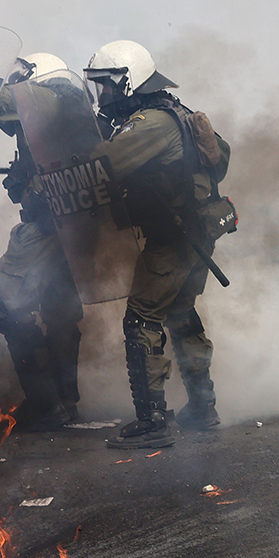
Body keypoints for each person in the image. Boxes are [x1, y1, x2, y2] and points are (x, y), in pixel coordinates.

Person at [83, 40, 232, 449]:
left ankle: (152, 423)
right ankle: (203, 408)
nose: (104, 95)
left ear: (130, 80)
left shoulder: (151, 122)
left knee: (142, 319)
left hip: (174, 239)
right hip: (195, 236)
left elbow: (103, 162)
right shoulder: (175, 111)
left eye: (108, 86)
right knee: (181, 314)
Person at [0, 55, 89, 428]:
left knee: (11, 309)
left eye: (20, 81)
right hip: (70, 225)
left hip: (44, 227)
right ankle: (66, 403)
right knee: (60, 312)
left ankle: (47, 407)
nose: (16, 88)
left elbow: (0, 103)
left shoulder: (47, 98)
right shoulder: (67, 108)